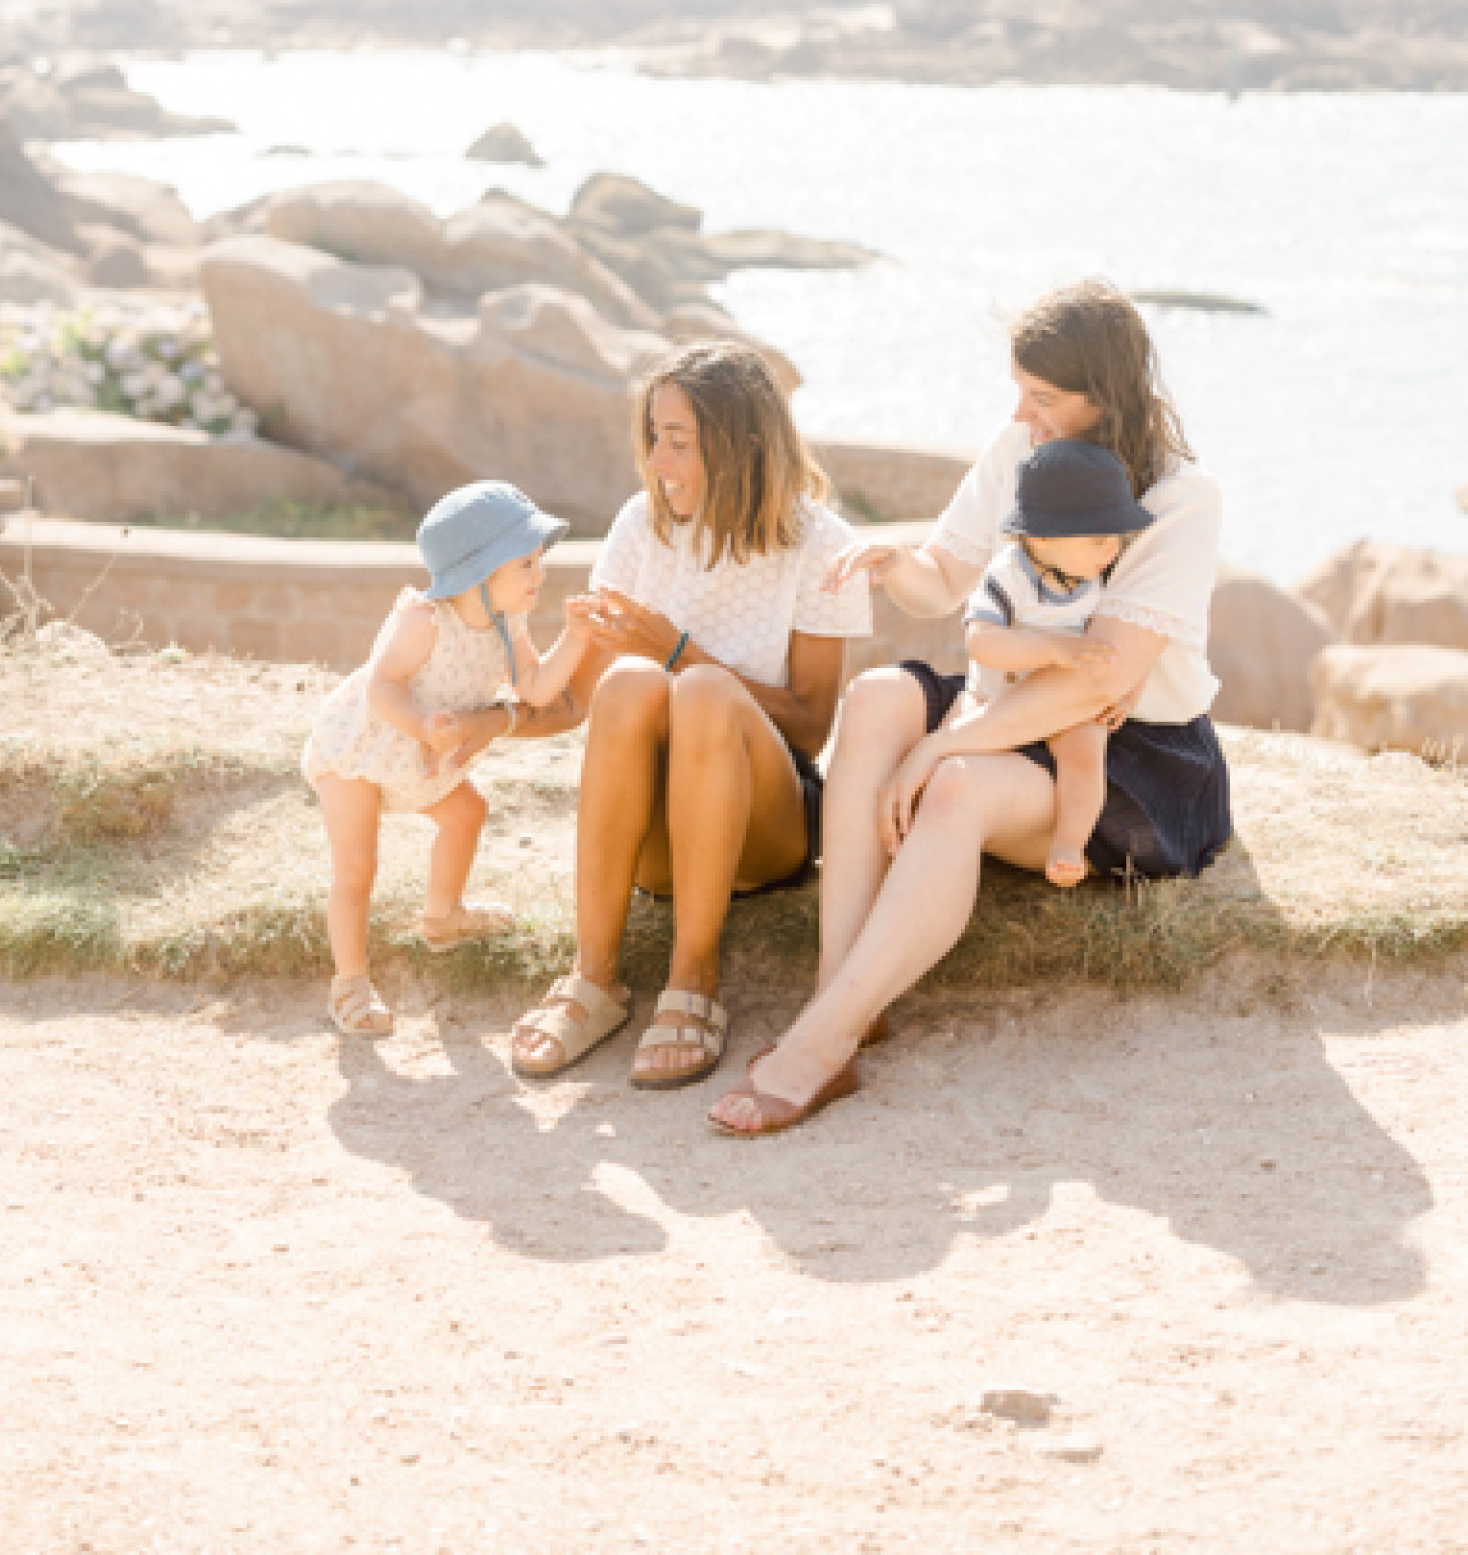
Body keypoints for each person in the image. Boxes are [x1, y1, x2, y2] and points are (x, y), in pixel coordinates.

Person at [710, 279, 1231, 1139]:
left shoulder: (1180, 499)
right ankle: (846, 997)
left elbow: (1097, 679)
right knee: (878, 697)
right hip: (1007, 704)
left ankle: (816, 1046)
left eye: (1045, 398)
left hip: (1128, 757)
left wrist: (944, 751)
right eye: (1021, 392)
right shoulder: (1019, 445)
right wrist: (887, 560)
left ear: (1111, 396)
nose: (1024, 415)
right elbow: (943, 580)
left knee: (954, 791)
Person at [508, 340, 870, 1092]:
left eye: (677, 442)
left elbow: (809, 728)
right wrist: (480, 718)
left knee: (698, 690)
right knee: (636, 680)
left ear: (741, 444)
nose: (656, 461)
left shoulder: (822, 546)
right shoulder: (641, 527)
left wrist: (680, 651)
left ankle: (694, 976)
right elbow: (601, 708)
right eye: (653, 438)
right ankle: (594, 976)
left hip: (765, 828)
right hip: (656, 836)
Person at [302, 479, 589, 1037]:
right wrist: (420, 727)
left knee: (467, 812)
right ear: (480, 574)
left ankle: (442, 914)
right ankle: (350, 983)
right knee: (357, 866)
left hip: (422, 758)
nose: (541, 574)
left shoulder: (507, 624)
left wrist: (577, 638)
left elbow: (533, 689)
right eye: (526, 564)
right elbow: (382, 686)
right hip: (361, 750)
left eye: (538, 560)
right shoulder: (424, 621)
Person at [958, 438, 1155, 889]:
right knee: (962, 750)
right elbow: (982, 643)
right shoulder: (1008, 576)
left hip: (1064, 704)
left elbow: (1130, 645)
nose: (1112, 548)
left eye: (1117, 537)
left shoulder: (1098, 575)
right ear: (1042, 536)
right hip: (1000, 701)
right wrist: (1052, 648)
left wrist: (1127, 692)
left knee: (1086, 756)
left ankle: (1068, 844)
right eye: (1098, 538)